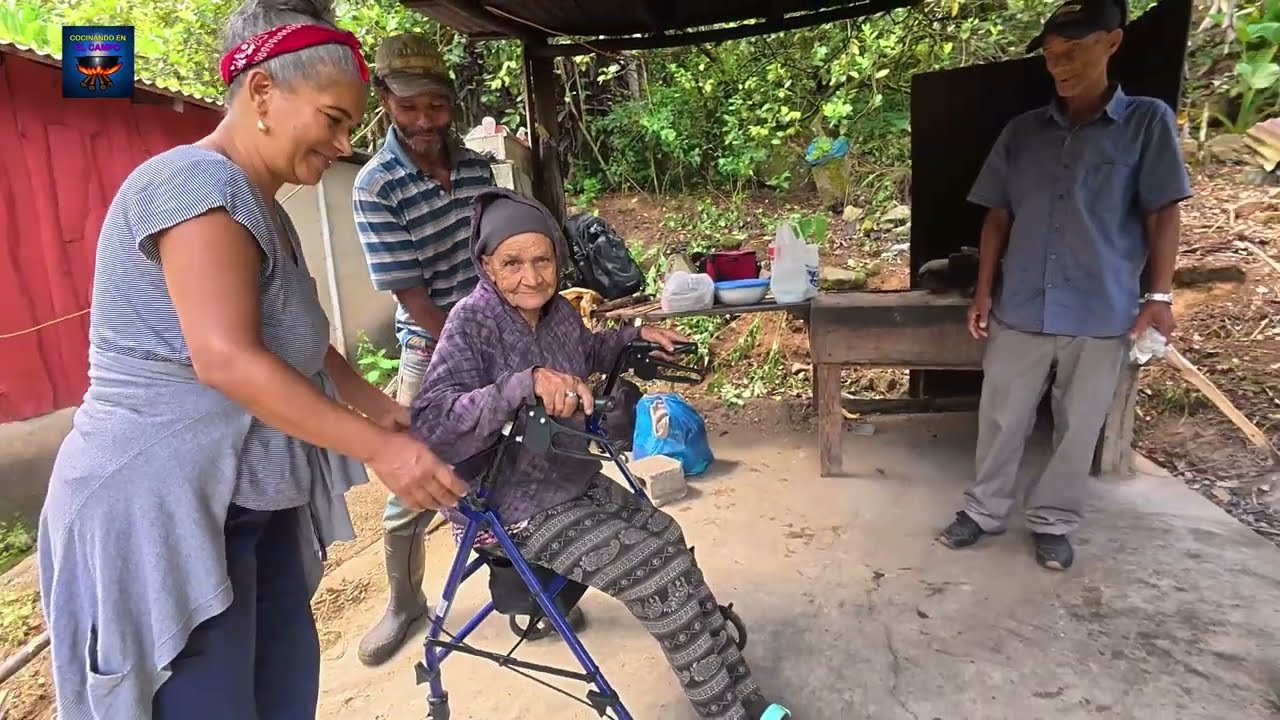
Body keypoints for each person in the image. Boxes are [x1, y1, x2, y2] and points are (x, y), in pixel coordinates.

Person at [36, 1, 468, 718]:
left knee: (278, 693)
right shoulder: (193, 182)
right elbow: (228, 360)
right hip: (167, 511)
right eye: (332, 120)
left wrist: (375, 403)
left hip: (245, 504)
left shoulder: (260, 202)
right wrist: (382, 453)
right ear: (263, 93)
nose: (341, 143)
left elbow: (291, 336)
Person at [411, 187, 790, 720]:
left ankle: (727, 669)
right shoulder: (470, 323)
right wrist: (521, 385)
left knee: (668, 536)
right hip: (509, 504)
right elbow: (431, 422)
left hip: (568, 473)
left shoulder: (559, 311)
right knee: (656, 573)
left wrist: (637, 335)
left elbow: (586, 351)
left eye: (542, 260)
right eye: (512, 263)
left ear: (558, 260)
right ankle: (728, 710)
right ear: (488, 267)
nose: (531, 276)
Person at [937, 0, 1192, 570]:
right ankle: (983, 511)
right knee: (1003, 416)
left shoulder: (1145, 123)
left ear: (1113, 43)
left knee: (1078, 427)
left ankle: (1053, 521)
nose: (1061, 66)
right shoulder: (1023, 133)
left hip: (1102, 308)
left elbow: (1162, 215)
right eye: (1052, 56)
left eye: (1074, 51)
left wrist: (1159, 297)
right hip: (1022, 302)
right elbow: (997, 215)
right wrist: (983, 291)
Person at [350, 32, 497, 666]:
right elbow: (413, 298)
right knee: (413, 478)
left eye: (436, 106)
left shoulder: (475, 169)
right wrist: (475, 348)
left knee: (516, 452)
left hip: (497, 330)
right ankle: (405, 602)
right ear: (383, 99)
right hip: (432, 344)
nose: (424, 121)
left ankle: (534, 579)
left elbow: (500, 257)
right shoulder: (376, 185)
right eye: (409, 107)